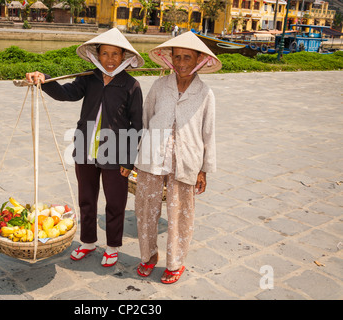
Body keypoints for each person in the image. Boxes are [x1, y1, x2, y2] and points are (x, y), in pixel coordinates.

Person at [25, 28, 144, 267]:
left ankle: (112, 246)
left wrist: (128, 162)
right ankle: (88, 242)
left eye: (115, 54)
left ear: (124, 57)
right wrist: (44, 79)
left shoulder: (131, 85)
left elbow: (137, 126)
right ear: (97, 55)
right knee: (86, 199)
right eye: (105, 53)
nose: (110, 59)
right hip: (85, 150)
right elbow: (66, 93)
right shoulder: (88, 79)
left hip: (116, 154)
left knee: (115, 202)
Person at [134, 31, 222, 284]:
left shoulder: (205, 93)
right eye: (178, 57)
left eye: (188, 58)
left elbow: (209, 133)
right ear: (170, 59)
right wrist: (138, 156)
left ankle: (175, 263)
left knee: (180, 214)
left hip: (186, 162)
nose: (182, 63)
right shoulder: (160, 86)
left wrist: (204, 170)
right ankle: (148, 256)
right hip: (152, 158)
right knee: (146, 210)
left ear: (199, 61)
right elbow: (145, 118)